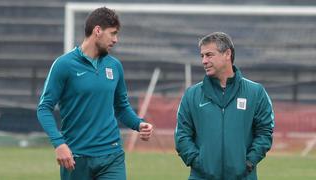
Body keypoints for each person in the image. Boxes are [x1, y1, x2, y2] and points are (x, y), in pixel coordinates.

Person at [37, 7, 153, 180]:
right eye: (112, 33)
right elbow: (44, 108)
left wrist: (138, 124)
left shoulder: (115, 66)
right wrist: (59, 143)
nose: (116, 39)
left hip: (111, 155)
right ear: (97, 30)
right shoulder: (63, 65)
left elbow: (121, 107)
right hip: (76, 157)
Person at [174, 32, 274, 180]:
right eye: (202, 56)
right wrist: (199, 163)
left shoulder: (255, 92)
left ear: (227, 54)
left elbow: (265, 132)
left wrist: (248, 163)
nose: (204, 61)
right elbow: (182, 135)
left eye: (209, 55)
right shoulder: (192, 95)